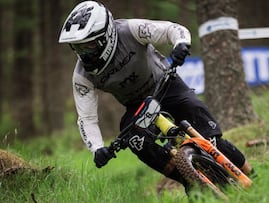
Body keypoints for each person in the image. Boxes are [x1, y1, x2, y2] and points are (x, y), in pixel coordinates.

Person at [59, 0, 254, 191]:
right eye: (77, 47)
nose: (83, 54)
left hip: (168, 86)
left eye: (88, 46)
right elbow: (86, 118)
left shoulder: (131, 30)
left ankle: (252, 176)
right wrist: (97, 148)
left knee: (210, 138)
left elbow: (172, 30)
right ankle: (192, 183)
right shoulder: (82, 76)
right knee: (136, 139)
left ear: (105, 35)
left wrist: (181, 44)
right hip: (138, 107)